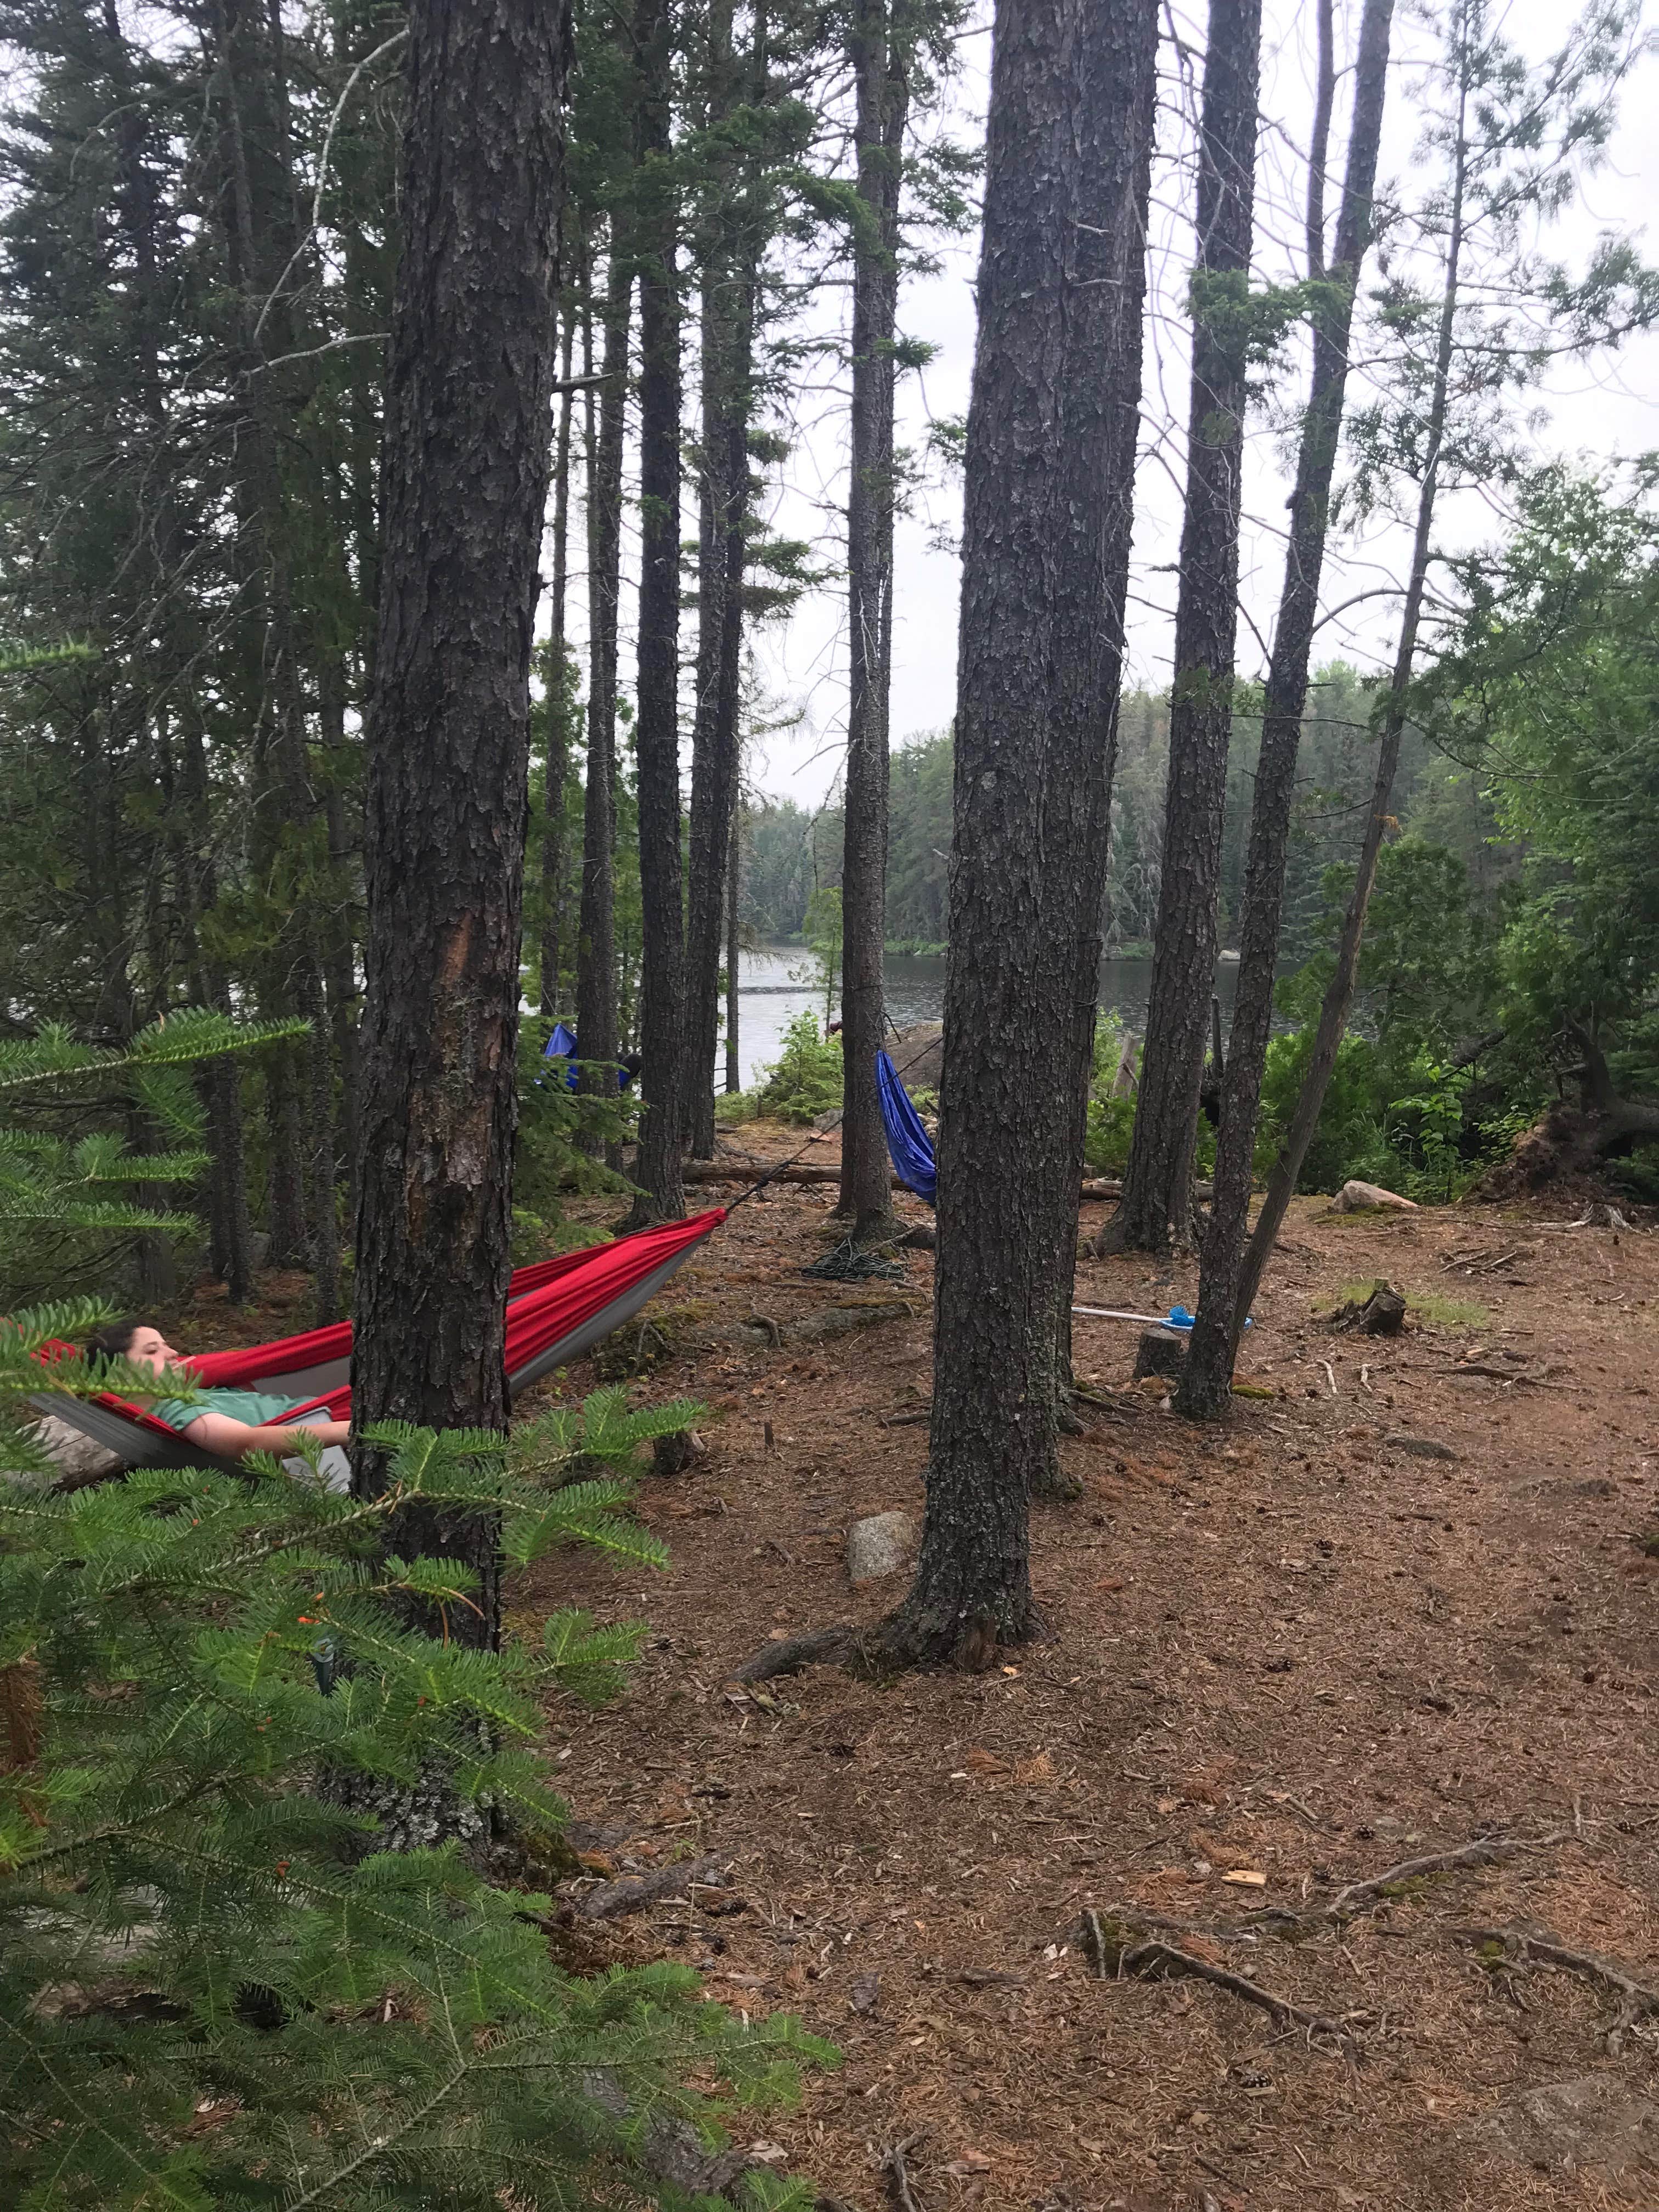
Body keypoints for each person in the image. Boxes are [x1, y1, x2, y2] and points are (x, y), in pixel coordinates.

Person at [84, 1319, 352, 1486]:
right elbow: (246, 1444)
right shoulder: (177, 1410)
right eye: (152, 1351)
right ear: (118, 1371)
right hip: (338, 1429)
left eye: (166, 1345)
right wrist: (350, 1430)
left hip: (334, 1414)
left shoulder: (193, 1391)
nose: (173, 1353)